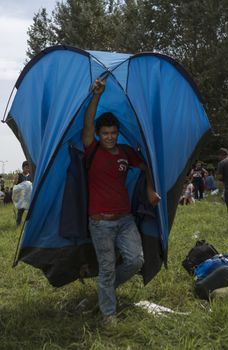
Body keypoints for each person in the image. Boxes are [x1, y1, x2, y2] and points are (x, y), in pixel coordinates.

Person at [82, 78, 160, 322]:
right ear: (98, 134)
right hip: (100, 223)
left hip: (125, 220)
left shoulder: (126, 152)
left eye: (114, 133)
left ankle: (105, 290)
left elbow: (146, 166)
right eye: (105, 133)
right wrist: (96, 95)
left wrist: (149, 189)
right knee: (106, 268)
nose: (110, 137)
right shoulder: (92, 148)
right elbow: (87, 123)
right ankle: (109, 315)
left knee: (136, 260)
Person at [15, 161, 33, 225]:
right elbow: (15, 186)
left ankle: (28, 224)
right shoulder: (19, 175)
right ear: (22, 168)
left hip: (28, 196)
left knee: (30, 211)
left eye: (28, 168)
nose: (27, 169)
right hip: (21, 197)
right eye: (26, 168)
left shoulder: (30, 176)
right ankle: (18, 223)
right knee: (20, 211)